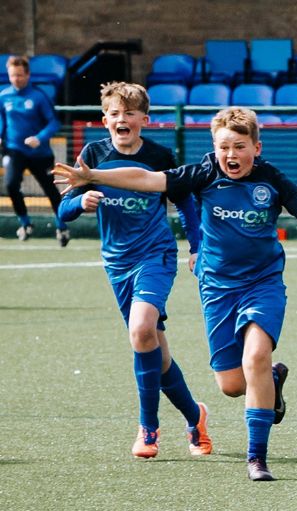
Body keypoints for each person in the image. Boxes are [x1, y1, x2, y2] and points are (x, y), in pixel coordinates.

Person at [54, 106, 297, 481]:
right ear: (214, 147)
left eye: (240, 147)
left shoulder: (271, 179)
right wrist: (93, 175)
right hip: (217, 288)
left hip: (263, 283)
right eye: (224, 146)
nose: (231, 155)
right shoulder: (203, 173)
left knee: (256, 355)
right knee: (231, 385)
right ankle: (271, 382)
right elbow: (147, 180)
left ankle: (256, 458)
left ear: (256, 148)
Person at [57, 82, 213, 459]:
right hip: (117, 263)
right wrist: (81, 201)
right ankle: (195, 418)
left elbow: (186, 204)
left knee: (141, 330)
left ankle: (148, 429)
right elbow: (63, 211)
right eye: (114, 114)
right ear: (104, 119)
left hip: (155, 256)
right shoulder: (92, 155)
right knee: (154, 352)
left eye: (129, 114)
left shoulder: (160, 155)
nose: (121, 120)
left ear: (145, 119)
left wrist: (196, 248)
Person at [0, 56, 69, 245]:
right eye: (13, 76)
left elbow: (54, 122)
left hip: (40, 154)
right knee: (11, 185)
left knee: (50, 190)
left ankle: (62, 227)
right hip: (15, 150)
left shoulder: (38, 96)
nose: (17, 79)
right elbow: (3, 121)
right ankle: (25, 223)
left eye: (20, 75)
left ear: (28, 74)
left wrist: (39, 138)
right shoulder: (4, 96)